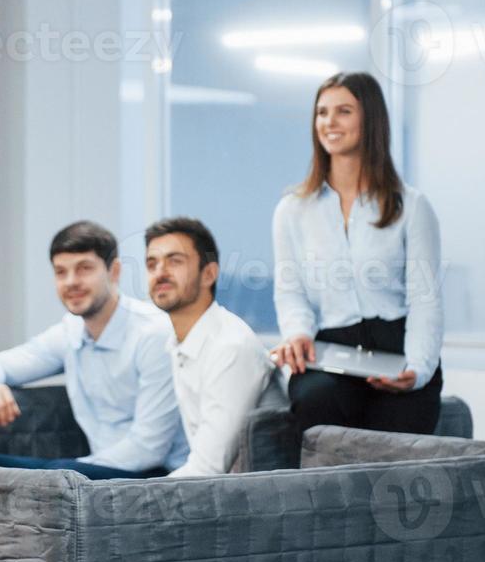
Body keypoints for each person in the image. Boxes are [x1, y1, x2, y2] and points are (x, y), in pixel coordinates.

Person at [271, 70, 444, 439]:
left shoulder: (411, 207)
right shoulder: (292, 209)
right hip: (332, 349)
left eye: (343, 111)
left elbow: (425, 299)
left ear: (371, 120)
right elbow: (291, 292)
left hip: (398, 344)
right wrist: (297, 332)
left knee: (397, 449)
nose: (329, 122)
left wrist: (418, 368)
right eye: (322, 112)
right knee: (315, 402)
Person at [0, 220, 187, 479]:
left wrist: (68, 473)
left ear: (114, 272)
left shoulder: (154, 334)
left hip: (157, 477)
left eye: (84, 269)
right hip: (92, 471)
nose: (71, 282)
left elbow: (149, 448)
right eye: (61, 272)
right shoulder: (70, 332)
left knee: (40, 478)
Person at [144, 216, 279, 477]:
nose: (160, 272)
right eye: (152, 264)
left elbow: (207, 470)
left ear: (209, 274)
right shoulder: (180, 342)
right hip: (211, 494)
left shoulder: (230, 347)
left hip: (242, 503)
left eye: (175, 261)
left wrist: (129, 501)